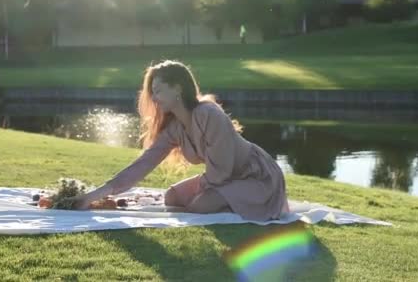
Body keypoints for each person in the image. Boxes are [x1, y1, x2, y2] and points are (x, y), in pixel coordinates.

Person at [69, 60, 289, 221]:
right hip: (223, 177)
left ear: (177, 89)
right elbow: (144, 163)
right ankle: (226, 202)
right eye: (152, 93)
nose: (153, 99)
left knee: (199, 206)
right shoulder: (175, 128)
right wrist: (96, 194)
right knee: (172, 197)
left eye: (158, 91)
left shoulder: (209, 114)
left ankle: (242, 204)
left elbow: (221, 171)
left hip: (255, 175)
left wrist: (202, 193)